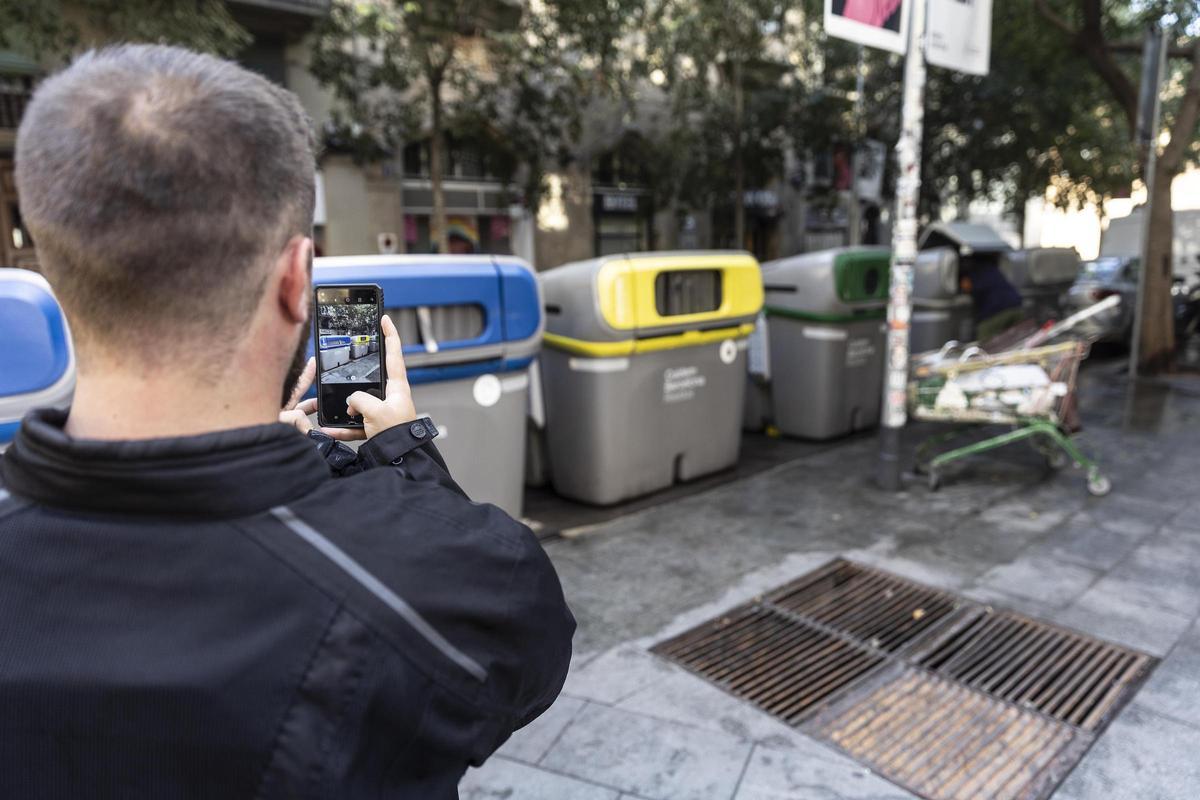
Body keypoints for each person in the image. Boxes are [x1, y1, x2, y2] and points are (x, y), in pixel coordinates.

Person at [0, 45, 574, 798]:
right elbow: (527, 660)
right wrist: (401, 453)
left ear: (55, 264)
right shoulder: (439, 576)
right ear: (298, 279)